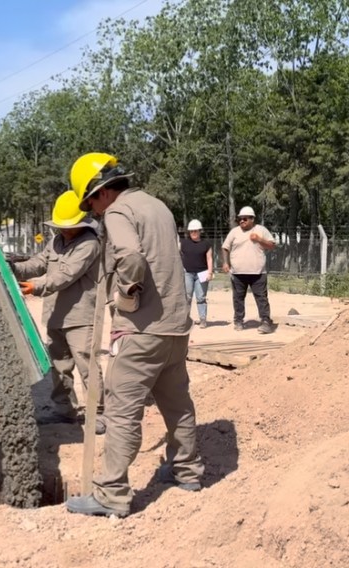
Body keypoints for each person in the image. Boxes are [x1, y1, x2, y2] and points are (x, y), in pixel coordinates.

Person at [63, 152, 205, 519]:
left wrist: (127, 293)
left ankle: (111, 494)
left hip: (142, 331)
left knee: (122, 410)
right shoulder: (158, 206)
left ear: (101, 192)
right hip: (175, 327)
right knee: (176, 402)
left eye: (91, 203)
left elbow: (130, 256)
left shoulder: (117, 212)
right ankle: (187, 470)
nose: (94, 212)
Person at [12, 190, 106, 435]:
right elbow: (38, 263)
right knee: (59, 366)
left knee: (87, 366)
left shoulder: (89, 244)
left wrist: (35, 287)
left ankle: (98, 413)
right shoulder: (56, 241)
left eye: (69, 227)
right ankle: (64, 410)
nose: (64, 230)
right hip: (55, 314)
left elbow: (66, 275)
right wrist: (13, 268)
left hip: (80, 316)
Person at [221, 206, 275, 334]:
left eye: (245, 219)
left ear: (252, 219)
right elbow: (225, 247)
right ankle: (238, 320)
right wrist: (225, 262)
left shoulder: (261, 230)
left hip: (258, 273)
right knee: (238, 298)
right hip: (238, 273)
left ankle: (265, 321)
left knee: (261, 298)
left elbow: (272, 245)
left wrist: (259, 239)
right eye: (239, 219)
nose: (241, 221)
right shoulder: (234, 232)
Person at [180, 219, 214, 328]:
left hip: (202, 274)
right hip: (187, 273)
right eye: (191, 231)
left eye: (195, 231)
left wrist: (210, 272)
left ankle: (203, 319)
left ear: (200, 231)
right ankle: (185, 319)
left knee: (201, 297)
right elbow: (177, 255)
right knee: (187, 297)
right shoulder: (183, 243)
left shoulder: (206, 244)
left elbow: (209, 258)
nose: (193, 233)